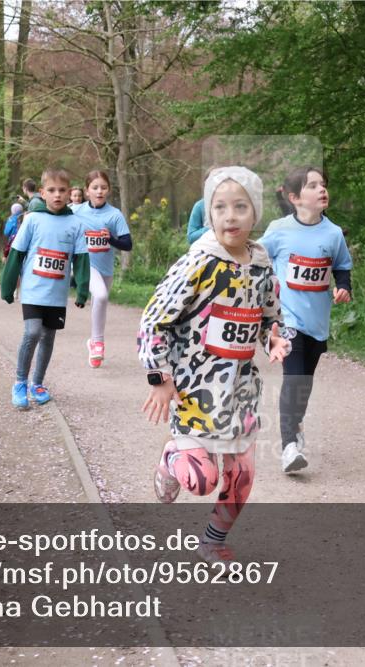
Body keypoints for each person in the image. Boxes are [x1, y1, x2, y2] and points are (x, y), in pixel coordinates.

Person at [139, 166, 289, 563]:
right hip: (193, 388)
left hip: (240, 389)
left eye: (240, 206)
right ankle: (171, 460)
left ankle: (213, 542)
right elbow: (153, 319)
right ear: (209, 214)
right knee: (202, 479)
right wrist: (159, 378)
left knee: (242, 475)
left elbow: (272, 315)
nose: (230, 216)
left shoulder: (261, 263)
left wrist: (275, 337)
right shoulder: (199, 263)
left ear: (255, 213)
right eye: (220, 207)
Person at [258, 167, 353, 474]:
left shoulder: (333, 233)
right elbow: (257, 257)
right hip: (288, 320)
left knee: (305, 381)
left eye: (323, 184)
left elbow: (341, 267)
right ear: (295, 198)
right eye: (313, 186)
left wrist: (343, 288)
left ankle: (295, 424)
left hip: (317, 322)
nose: (322, 189)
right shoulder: (279, 230)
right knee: (294, 377)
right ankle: (288, 446)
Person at [1, 168, 90, 409]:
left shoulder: (75, 224)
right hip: (33, 290)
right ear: (42, 193)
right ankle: (20, 382)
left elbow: (81, 259)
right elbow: (16, 254)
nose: (57, 195)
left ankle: (37, 383)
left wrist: (82, 290)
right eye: (51, 190)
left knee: (48, 336)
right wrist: (8, 286)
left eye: (62, 190)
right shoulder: (32, 220)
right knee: (32, 333)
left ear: (70, 192)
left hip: (56, 294)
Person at [74, 170, 132, 368]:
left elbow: (127, 244)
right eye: (95, 187)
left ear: (108, 190)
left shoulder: (114, 215)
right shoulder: (76, 211)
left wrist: (111, 239)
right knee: (100, 296)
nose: (99, 191)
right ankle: (98, 342)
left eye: (103, 187)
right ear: (87, 190)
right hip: (85, 264)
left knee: (101, 301)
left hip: (105, 269)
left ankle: (92, 342)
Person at [185, 167, 218, 244]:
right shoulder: (200, 206)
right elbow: (191, 237)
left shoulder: (231, 206)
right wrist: (211, 228)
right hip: (207, 249)